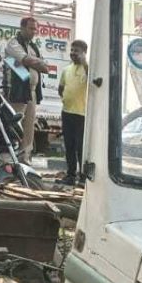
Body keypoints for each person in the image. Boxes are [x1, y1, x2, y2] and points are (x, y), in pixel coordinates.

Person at [4, 17, 49, 164]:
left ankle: (25, 159)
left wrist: (36, 62)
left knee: (29, 127)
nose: (34, 31)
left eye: (35, 29)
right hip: (17, 91)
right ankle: (9, 159)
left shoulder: (33, 47)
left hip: (32, 92)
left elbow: (45, 67)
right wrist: (37, 62)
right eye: (31, 28)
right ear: (22, 28)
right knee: (14, 126)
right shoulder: (13, 43)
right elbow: (26, 61)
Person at [57, 39, 88, 185]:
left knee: (80, 147)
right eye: (72, 50)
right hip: (67, 113)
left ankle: (83, 178)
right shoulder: (66, 70)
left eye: (77, 51)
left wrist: (84, 62)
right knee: (69, 146)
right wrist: (65, 99)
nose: (73, 53)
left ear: (84, 53)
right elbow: (61, 88)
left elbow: (92, 78)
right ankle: (70, 176)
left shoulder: (88, 69)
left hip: (82, 114)